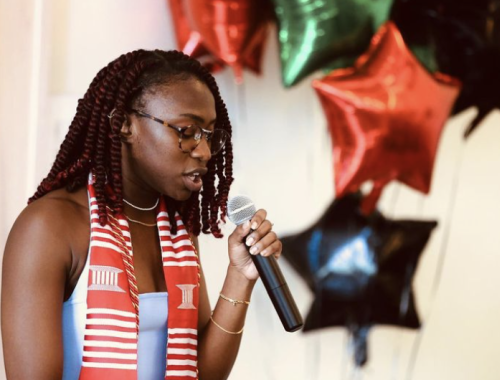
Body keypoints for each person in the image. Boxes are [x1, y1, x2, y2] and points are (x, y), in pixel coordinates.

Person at [1, 50, 282, 380]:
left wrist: (240, 276)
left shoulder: (176, 231)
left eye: (209, 135)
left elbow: (201, 373)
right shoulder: (50, 227)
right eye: (186, 130)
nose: (204, 151)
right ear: (124, 125)